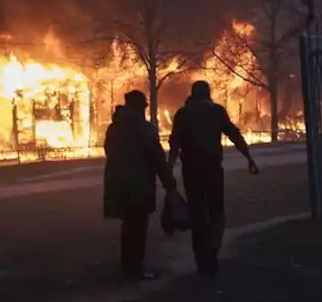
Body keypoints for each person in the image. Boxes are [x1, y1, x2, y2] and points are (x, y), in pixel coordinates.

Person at [168, 80, 259, 276]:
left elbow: (174, 143)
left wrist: (169, 168)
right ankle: (212, 248)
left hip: (191, 170)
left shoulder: (183, 113)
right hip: (212, 169)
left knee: (197, 213)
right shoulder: (217, 111)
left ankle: (201, 260)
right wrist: (249, 158)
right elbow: (233, 134)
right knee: (217, 211)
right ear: (208, 93)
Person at [103, 90, 177, 280]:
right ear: (140, 107)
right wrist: (169, 183)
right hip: (138, 184)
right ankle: (135, 267)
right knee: (138, 226)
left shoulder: (113, 128)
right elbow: (157, 158)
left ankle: (127, 264)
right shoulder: (144, 129)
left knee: (128, 225)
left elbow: (108, 151)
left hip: (117, 183)